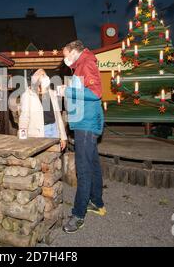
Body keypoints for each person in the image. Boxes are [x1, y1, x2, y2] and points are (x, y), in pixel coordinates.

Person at [60, 40, 105, 234]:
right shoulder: (80, 66)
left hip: (86, 124)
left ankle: (78, 215)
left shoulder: (86, 62)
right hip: (85, 123)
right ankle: (97, 202)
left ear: (74, 51)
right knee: (93, 165)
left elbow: (95, 93)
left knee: (83, 169)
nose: (64, 59)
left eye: (65, 54)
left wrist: (66, 90)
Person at [18, 69, 67, 150]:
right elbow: (24, 118)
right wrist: (22, 138)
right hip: (39, 132)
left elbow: (58, 116)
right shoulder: (28, 95)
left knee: (55, 157)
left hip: (54, 129)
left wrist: (63, 137)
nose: (44, 77)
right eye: (41, 75)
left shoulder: (51, 93)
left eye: (45, 74)